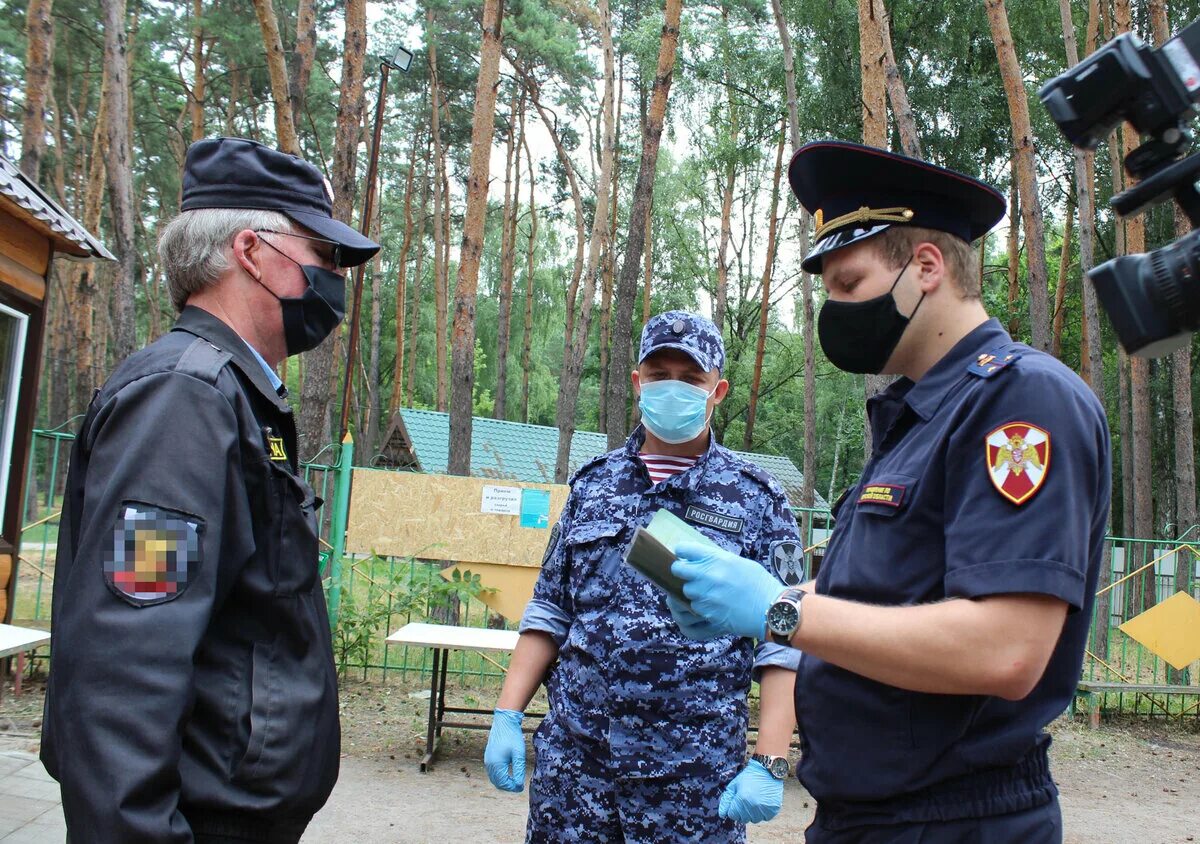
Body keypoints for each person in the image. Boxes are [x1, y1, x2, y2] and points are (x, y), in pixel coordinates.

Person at [668, 141, 1111, 843]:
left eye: (847, 283)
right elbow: (891, 604)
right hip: (871, 817)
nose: (834, 309)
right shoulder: (917, 421)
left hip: (956, 821)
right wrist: (755, 600)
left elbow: (1007, 649)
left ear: (926, 269)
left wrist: (783, 613)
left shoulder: (1020, 402)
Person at [41, 137, 380, 843]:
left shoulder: (236, 394)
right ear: (252, 252)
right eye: (322, 257)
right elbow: (127, 658)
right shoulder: (183, 400)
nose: (334, 282)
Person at [484, 311, 804, 842]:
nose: (672, 388)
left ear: (717, 390)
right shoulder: (593, 485)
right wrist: (506, 715)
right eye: (658, 375)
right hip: (577, 776)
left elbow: (786, 641)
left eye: (691, 378)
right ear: (637, 382)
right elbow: (550, 610)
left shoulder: (758, 500)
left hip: (693, 781)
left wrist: (769, 759)